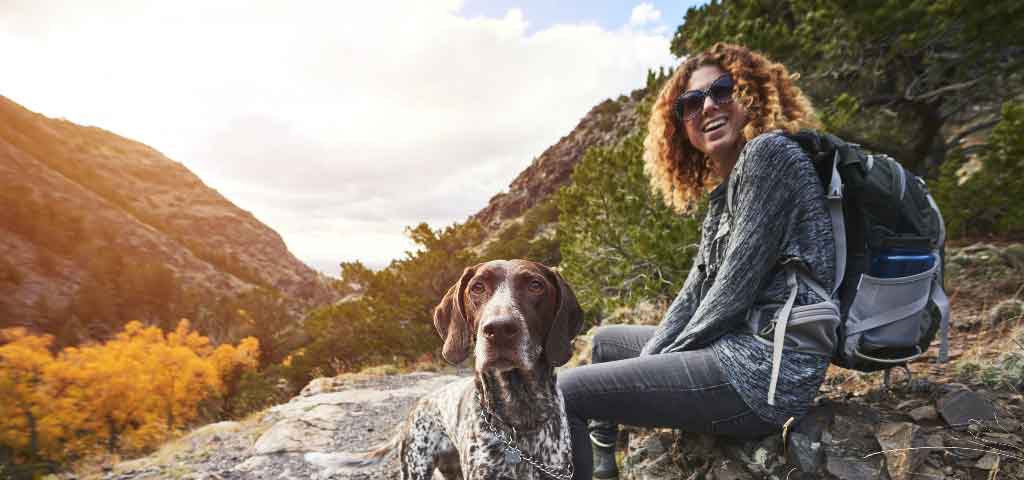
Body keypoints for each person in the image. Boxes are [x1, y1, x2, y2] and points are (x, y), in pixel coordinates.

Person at [557, 42, 839, 479]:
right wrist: (651, 359)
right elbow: (692, 297)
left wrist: (650, 366)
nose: (707, 107)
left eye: (721, 90)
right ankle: (603, 467)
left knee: (566, 391)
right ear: (680, 126)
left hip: (764, 376)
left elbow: (730, 295)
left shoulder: (770, 156)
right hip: (734, 350)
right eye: (690, 103)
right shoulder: (725, 191)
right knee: (606, 343)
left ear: (750, 94)